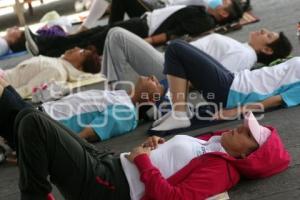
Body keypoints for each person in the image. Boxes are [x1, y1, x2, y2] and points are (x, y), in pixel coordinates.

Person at [7, 104, 291, 199]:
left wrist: (144, 161)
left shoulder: (223, 170)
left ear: (247, 156)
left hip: (110, 187)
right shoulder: (212, 143)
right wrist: (158, 147)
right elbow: (174, 165)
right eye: (245, 126)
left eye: (247, 135)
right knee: (27, 115)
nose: (240, 128)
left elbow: (172, 198)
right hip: (109, 163)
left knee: (34, 123)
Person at [150, 40, 300, 132]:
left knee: (175, 49)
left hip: (232, 92)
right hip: (235, 79)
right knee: (180, 45)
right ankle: (180, 108)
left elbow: (278, 99)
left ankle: (179, 112)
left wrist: (235, 111)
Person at [25, 1, 243, 57]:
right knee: (95, 35)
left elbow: (172, 34)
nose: (220, 3)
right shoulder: (205, 14)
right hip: (147, 21)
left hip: (145, 28)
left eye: (224, 4)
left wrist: (143, 43)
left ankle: (46, 48)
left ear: (224, 13)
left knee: (92, 38)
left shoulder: (206, 21)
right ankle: (47, 46)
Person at [0, 75, 164, 148]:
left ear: (150, 100)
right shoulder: (121, 96)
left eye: (156, 83)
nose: (153, 77)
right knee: (3, 82)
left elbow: (90, 133)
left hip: (40, 126)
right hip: (37, 113)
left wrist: (43, 148)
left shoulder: (127, 113)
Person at [101, 27, 292, 84]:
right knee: (115, 39)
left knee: (117, 35)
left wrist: (174, 90)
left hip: (170, 70)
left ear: (267, 50)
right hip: (168, 60)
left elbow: (216, 80)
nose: (263, 30)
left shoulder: (244, 55)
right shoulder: (243, 48)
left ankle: (118, 96)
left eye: (268, 35)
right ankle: (117, 93)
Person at [0, 46, 100, 98]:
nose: (76, 48)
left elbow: (26, 91)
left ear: (80, 67)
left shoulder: (57, 72)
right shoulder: (59, 64)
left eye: (82, 52)